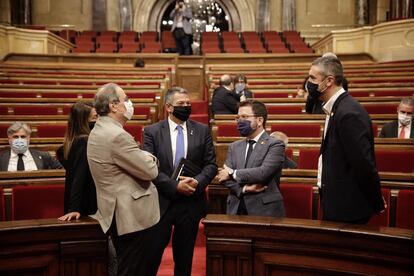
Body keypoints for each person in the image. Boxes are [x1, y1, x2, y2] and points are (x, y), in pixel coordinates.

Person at [87, 83, 160, 276]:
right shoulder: (117, 135)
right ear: (113, 105)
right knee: (133, 269)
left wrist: (140, 155)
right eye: (125, 99)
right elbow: (150, 171)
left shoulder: (98, 129)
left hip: (114, 210)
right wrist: (150, 157)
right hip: (130, 216)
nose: (129, 103)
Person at [143, 86, 217, 276]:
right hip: (161, 203)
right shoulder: (152, 131)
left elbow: (211, 165)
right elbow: (149, 168)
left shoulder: (202, 130)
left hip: (190, 203)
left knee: (184, 261)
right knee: (150, 257)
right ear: (168, 107)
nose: (186, 106)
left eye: (188, 103)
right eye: (181, 104)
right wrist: (175, 186)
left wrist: (197, 183)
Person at [307, 56, 384, 224]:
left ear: (329, 81)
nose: (309, 83)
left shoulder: (349, 113)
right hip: (337, 202)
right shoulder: (334, 108)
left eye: (313, 78)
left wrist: (376, 201)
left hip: (348, 209)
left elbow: (363, 164)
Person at [217, 100, 285, 217]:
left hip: (264, 211)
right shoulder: (234, 146)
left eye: (244, 117)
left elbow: (263, 172)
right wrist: (244, 189)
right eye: (237, 117)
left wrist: (232, 173)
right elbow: (224, 177)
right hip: (236, 209)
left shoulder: (275, 144)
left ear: (259, 120)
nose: (239, 121)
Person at [57, 101, 98, 221]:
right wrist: (74, 208)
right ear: (83, 121)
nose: (99, 120)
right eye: (95, 117)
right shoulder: (84, 141)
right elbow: (79, 176)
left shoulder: (73, 141)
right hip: (85, 205)